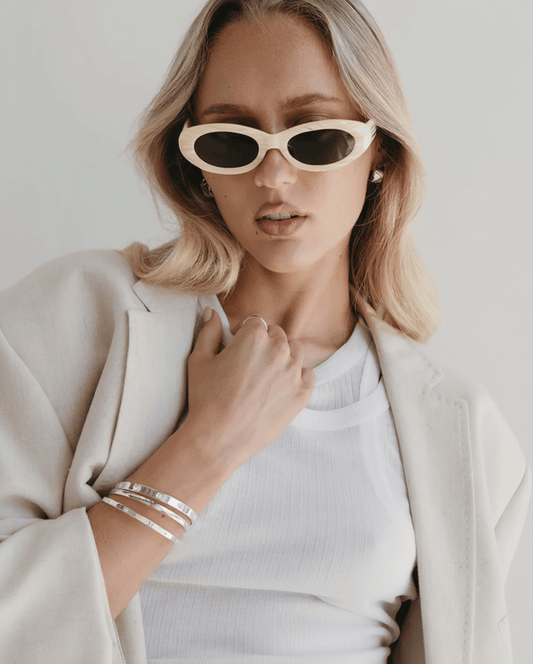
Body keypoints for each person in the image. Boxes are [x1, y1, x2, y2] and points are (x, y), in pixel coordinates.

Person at [0, 0, 530, 662]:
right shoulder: (74, 321)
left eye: (315, 137)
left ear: (380, 152)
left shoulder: (464, 432)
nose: (273, 176)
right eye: (230, 141)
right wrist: (207, 445)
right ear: (195, 164)